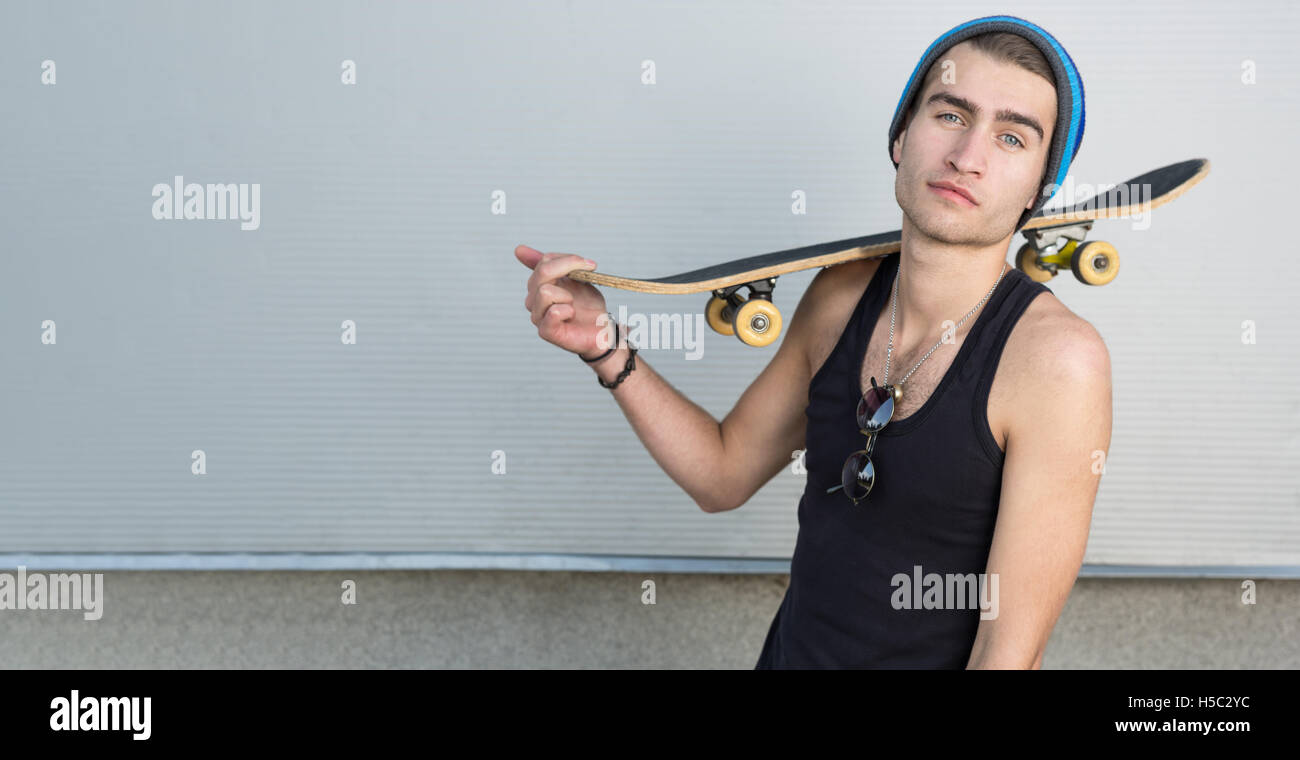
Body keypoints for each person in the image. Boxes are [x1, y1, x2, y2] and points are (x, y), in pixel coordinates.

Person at [515, 15, 1111, 669]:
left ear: (1040, 188)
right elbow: (722, 475)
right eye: (949, 115)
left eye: (1011, 137)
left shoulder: (1056, 364)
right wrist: (606, 347)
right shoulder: (839, 299)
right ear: (901, 136)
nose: (968, 157)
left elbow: (1007, 656)